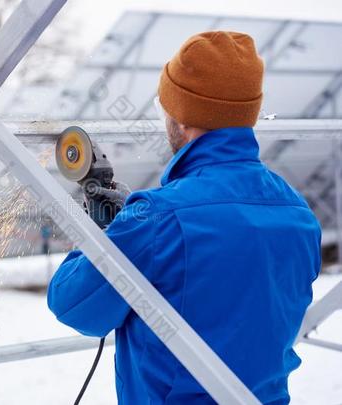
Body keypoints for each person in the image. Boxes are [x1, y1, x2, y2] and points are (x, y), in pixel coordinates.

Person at [47, 31, 321, 404]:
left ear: (184, 117)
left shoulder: (156, 218)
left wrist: (103, 233)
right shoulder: (297, 212)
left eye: (166, 107)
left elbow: (73, 304)